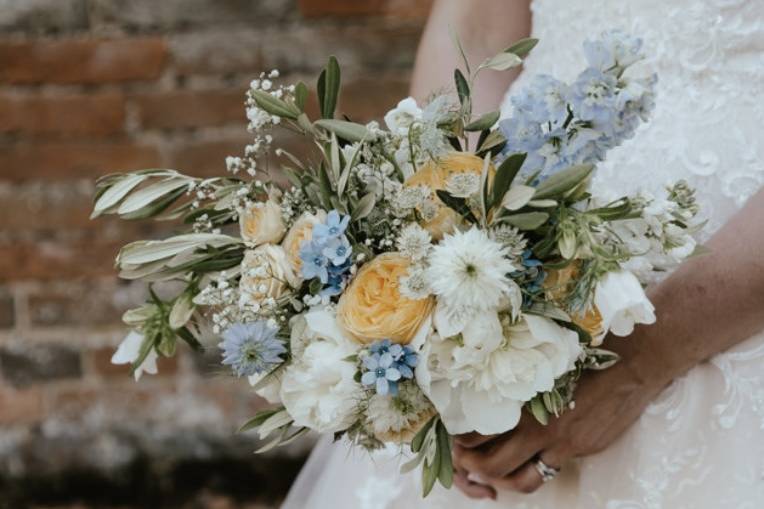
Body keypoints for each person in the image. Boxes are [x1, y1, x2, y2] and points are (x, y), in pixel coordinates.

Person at [282, 1, 764, 507]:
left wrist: (643, 361)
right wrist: (446, 249)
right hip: (500, 284)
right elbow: (476, 28)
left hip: (727, 336)